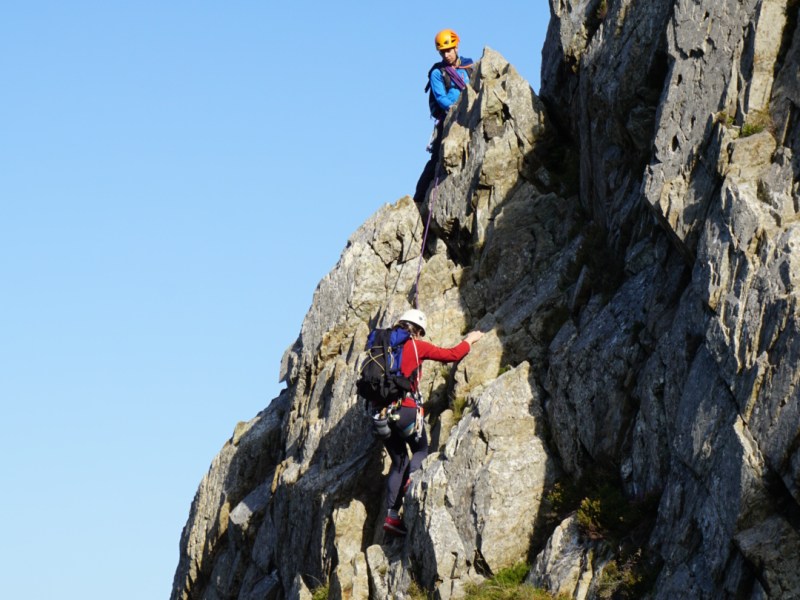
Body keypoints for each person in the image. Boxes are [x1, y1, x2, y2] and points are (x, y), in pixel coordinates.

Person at [378, 308, 484, 536]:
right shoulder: (416, 346)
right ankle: (412, 482)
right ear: (416, 331)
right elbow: (451, 355)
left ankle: (392, 516)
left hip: (382, 416)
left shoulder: (383, 348)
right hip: (405, 411)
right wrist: (469, 340)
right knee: (421, 450)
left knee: (398, 462)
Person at [414, 29, 475, 203]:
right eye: (443, 52)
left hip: (470, 111)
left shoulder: (468, 66)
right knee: (436, 159)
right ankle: (419, 198)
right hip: (448, 117)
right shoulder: (437, 72)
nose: (446, 55)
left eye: (449, 50)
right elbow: (440, 97)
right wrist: (455, 106)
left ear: (456, 47)